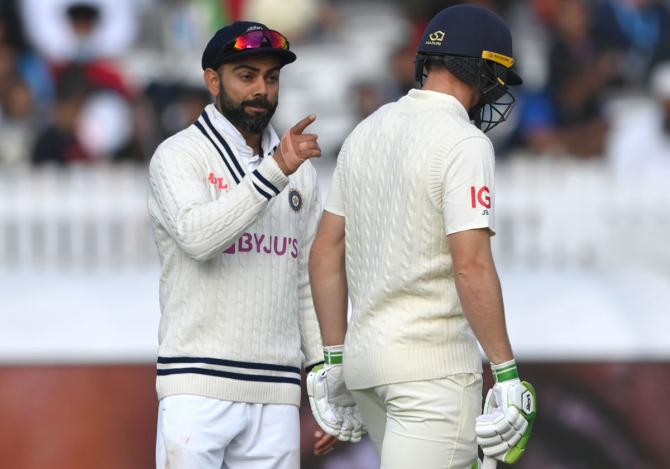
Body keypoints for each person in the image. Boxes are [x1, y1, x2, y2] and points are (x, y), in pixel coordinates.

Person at [306, 5, 536, 468]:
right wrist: (506, 372)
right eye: (495, 78)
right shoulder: (465, 142)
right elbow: (471, 265)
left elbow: (325, 250)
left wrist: (333, 360)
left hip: (369, 367)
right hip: (433, 372)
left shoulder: (366, 131)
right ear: (483, 68)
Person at [147, 21, 338, 469]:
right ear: (213, 80)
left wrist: (324, 378)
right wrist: (274, 171)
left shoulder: (300, 173)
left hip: (275, 391)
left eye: (271, 78)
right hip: (196, 385)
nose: (262, 90)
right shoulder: (178, 156)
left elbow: (306, 279)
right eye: (246, 76)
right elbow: (198, 238)